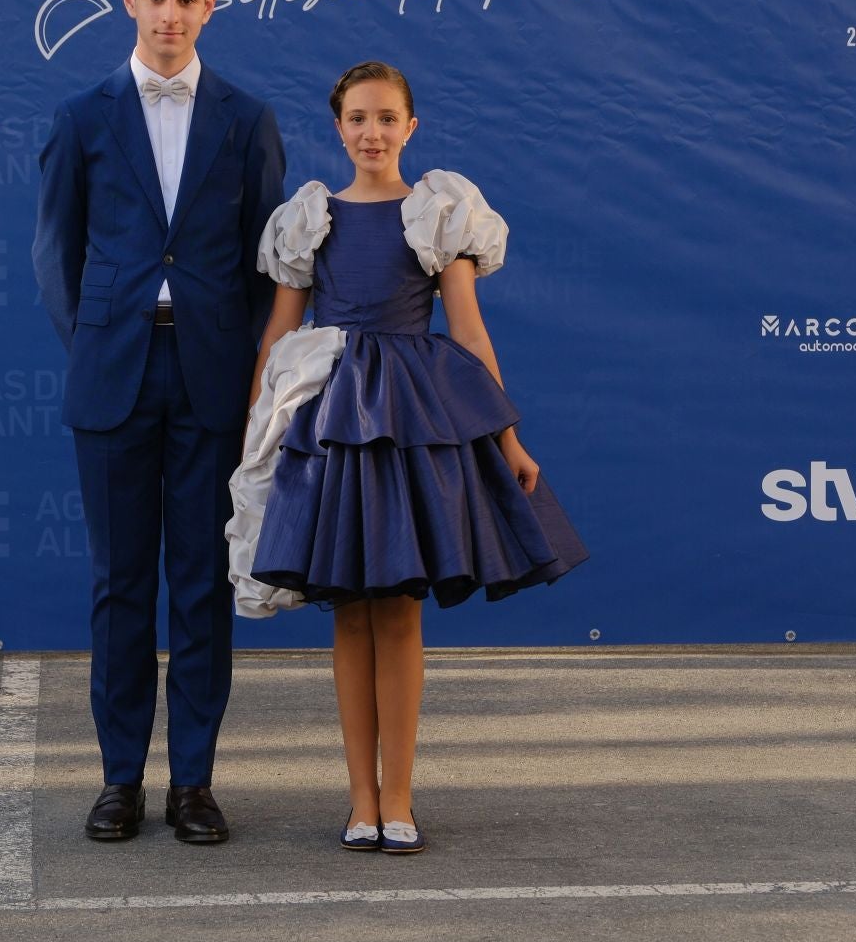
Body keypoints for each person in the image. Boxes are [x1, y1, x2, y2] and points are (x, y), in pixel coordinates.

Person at [225, 61, 587, 855]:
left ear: (411, 128)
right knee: (349, 613)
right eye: (358, 118)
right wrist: (259, 434)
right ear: (338, 127)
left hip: (412, 420)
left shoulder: (437, 214)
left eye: (387, 119)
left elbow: (470, 335)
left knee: (399, 612)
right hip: (332, 424)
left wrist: (508, 437)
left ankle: (400, 797)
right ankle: (358, 800)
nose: (372, 132)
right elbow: (277, 339)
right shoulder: (307, 220)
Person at [33, 0, 285, 845]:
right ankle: (119, 780)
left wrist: (237, 352)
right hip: (114, 379)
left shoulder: (247, 119)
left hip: (212, 377)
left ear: (211, 5)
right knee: (119, 584)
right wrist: (99, 345)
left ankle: (195, 785)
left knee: (201, 585)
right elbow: (56, 257)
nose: (172, 14)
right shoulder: (82, 117)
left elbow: (269, 263)